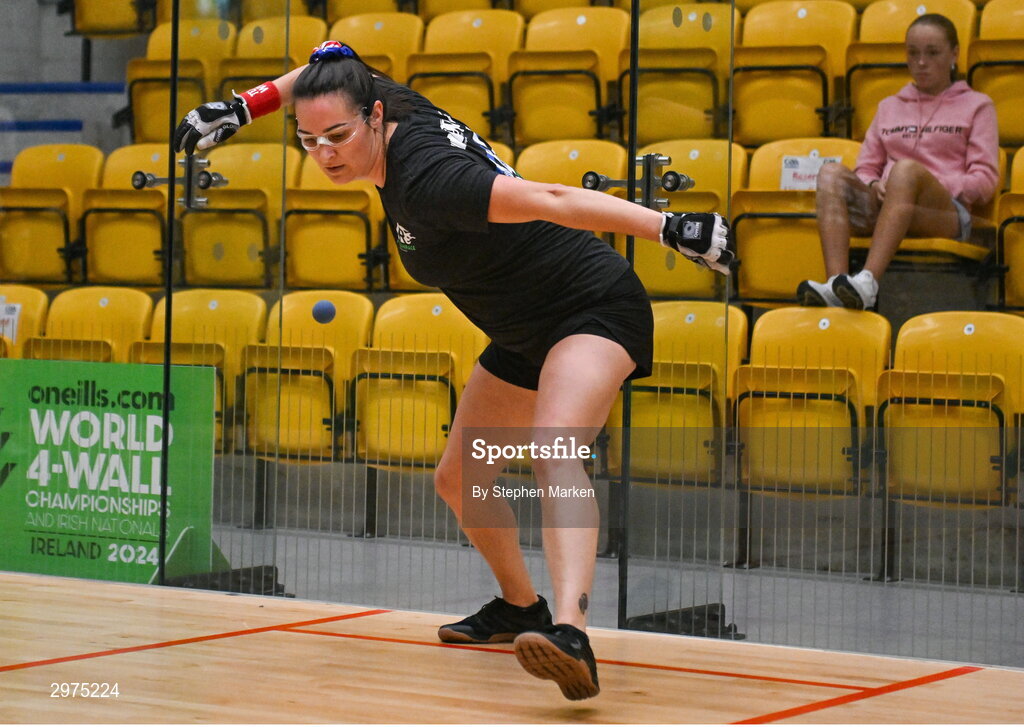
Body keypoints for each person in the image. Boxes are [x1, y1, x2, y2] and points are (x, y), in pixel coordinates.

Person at [174, 40, 732, 701]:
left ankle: (570, 632)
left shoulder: (431, 178)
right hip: (522, 332)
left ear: (376, 117)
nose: (325, 153)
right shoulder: (373, 96)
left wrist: (669, 229)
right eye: (309, 139)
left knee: (555, 450)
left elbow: (554, 198)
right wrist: (246, 105)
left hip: (590, 306)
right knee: (461, 477)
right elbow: (327, 59)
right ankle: (519, 608)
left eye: (338, 136)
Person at [798, 13, 999, 310]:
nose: (921, 62)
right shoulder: (889, 106)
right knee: (830, 174)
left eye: (932, 53)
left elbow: (985, 180)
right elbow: (865, 168)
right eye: (913, 53)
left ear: (954, 54)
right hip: (890, 206)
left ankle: (868, 282)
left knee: (905, 170)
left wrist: (922, 183)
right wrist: (876, 185)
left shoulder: (978, 105)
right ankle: (836, 286)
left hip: (945, 213)